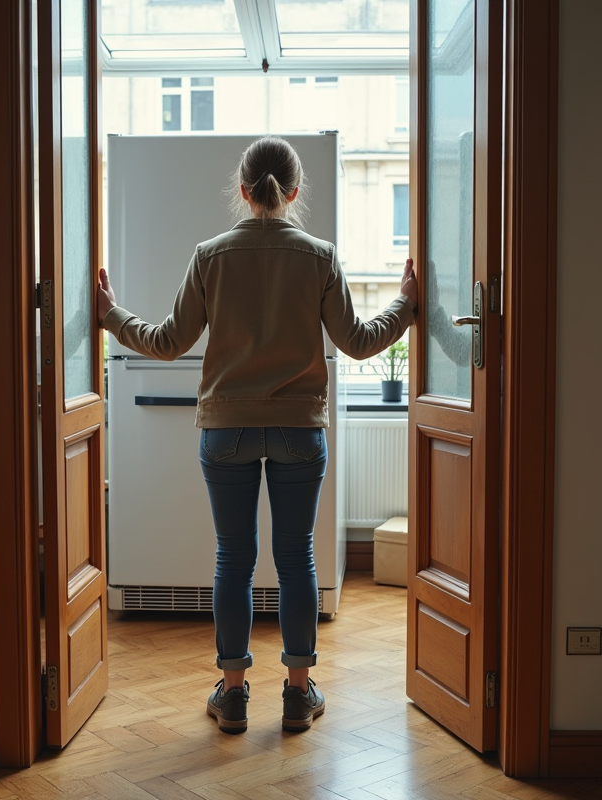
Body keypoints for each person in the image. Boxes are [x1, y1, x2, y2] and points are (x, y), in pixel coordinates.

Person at [96, 136, 418, 735]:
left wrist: (111, 313)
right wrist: (405, 303)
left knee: (233, 558)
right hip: (300, 430)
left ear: (242, 191)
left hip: (225, 431)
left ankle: (235, 694)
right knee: (297, 560)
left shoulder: (210, 255)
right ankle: (298, 695)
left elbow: (167, 343)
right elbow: (359, 341)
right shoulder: (319, 257)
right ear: (294, 191)